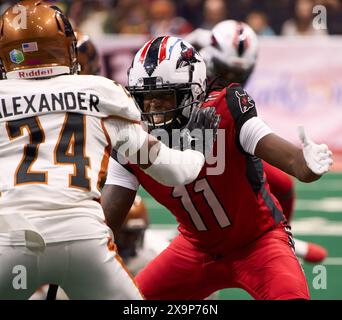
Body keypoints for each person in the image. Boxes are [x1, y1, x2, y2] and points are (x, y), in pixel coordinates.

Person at [0, 1, 218, 299]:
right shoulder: (99, 92)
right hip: (82, 240)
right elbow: (172, 171)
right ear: (65, 48)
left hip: (11, 241)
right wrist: (200, 147)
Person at [102, 34, 333, 300]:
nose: (153, 109)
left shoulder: (225, 109)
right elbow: (105, 224)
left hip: (259, 243)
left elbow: (295, 164)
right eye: (146, 98)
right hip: (194, 248)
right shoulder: (132, 137)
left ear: (195, 91)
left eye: (164, 97)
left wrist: (309, 165)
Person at [186, 19, 328, 263]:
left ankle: (280, 238)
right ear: (210, 56)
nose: (232, 77)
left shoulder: (232, 96)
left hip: (228, 141)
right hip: (188, 143)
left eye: (240, 73)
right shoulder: (188, 65)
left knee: (281, 184)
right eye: (226, 70)